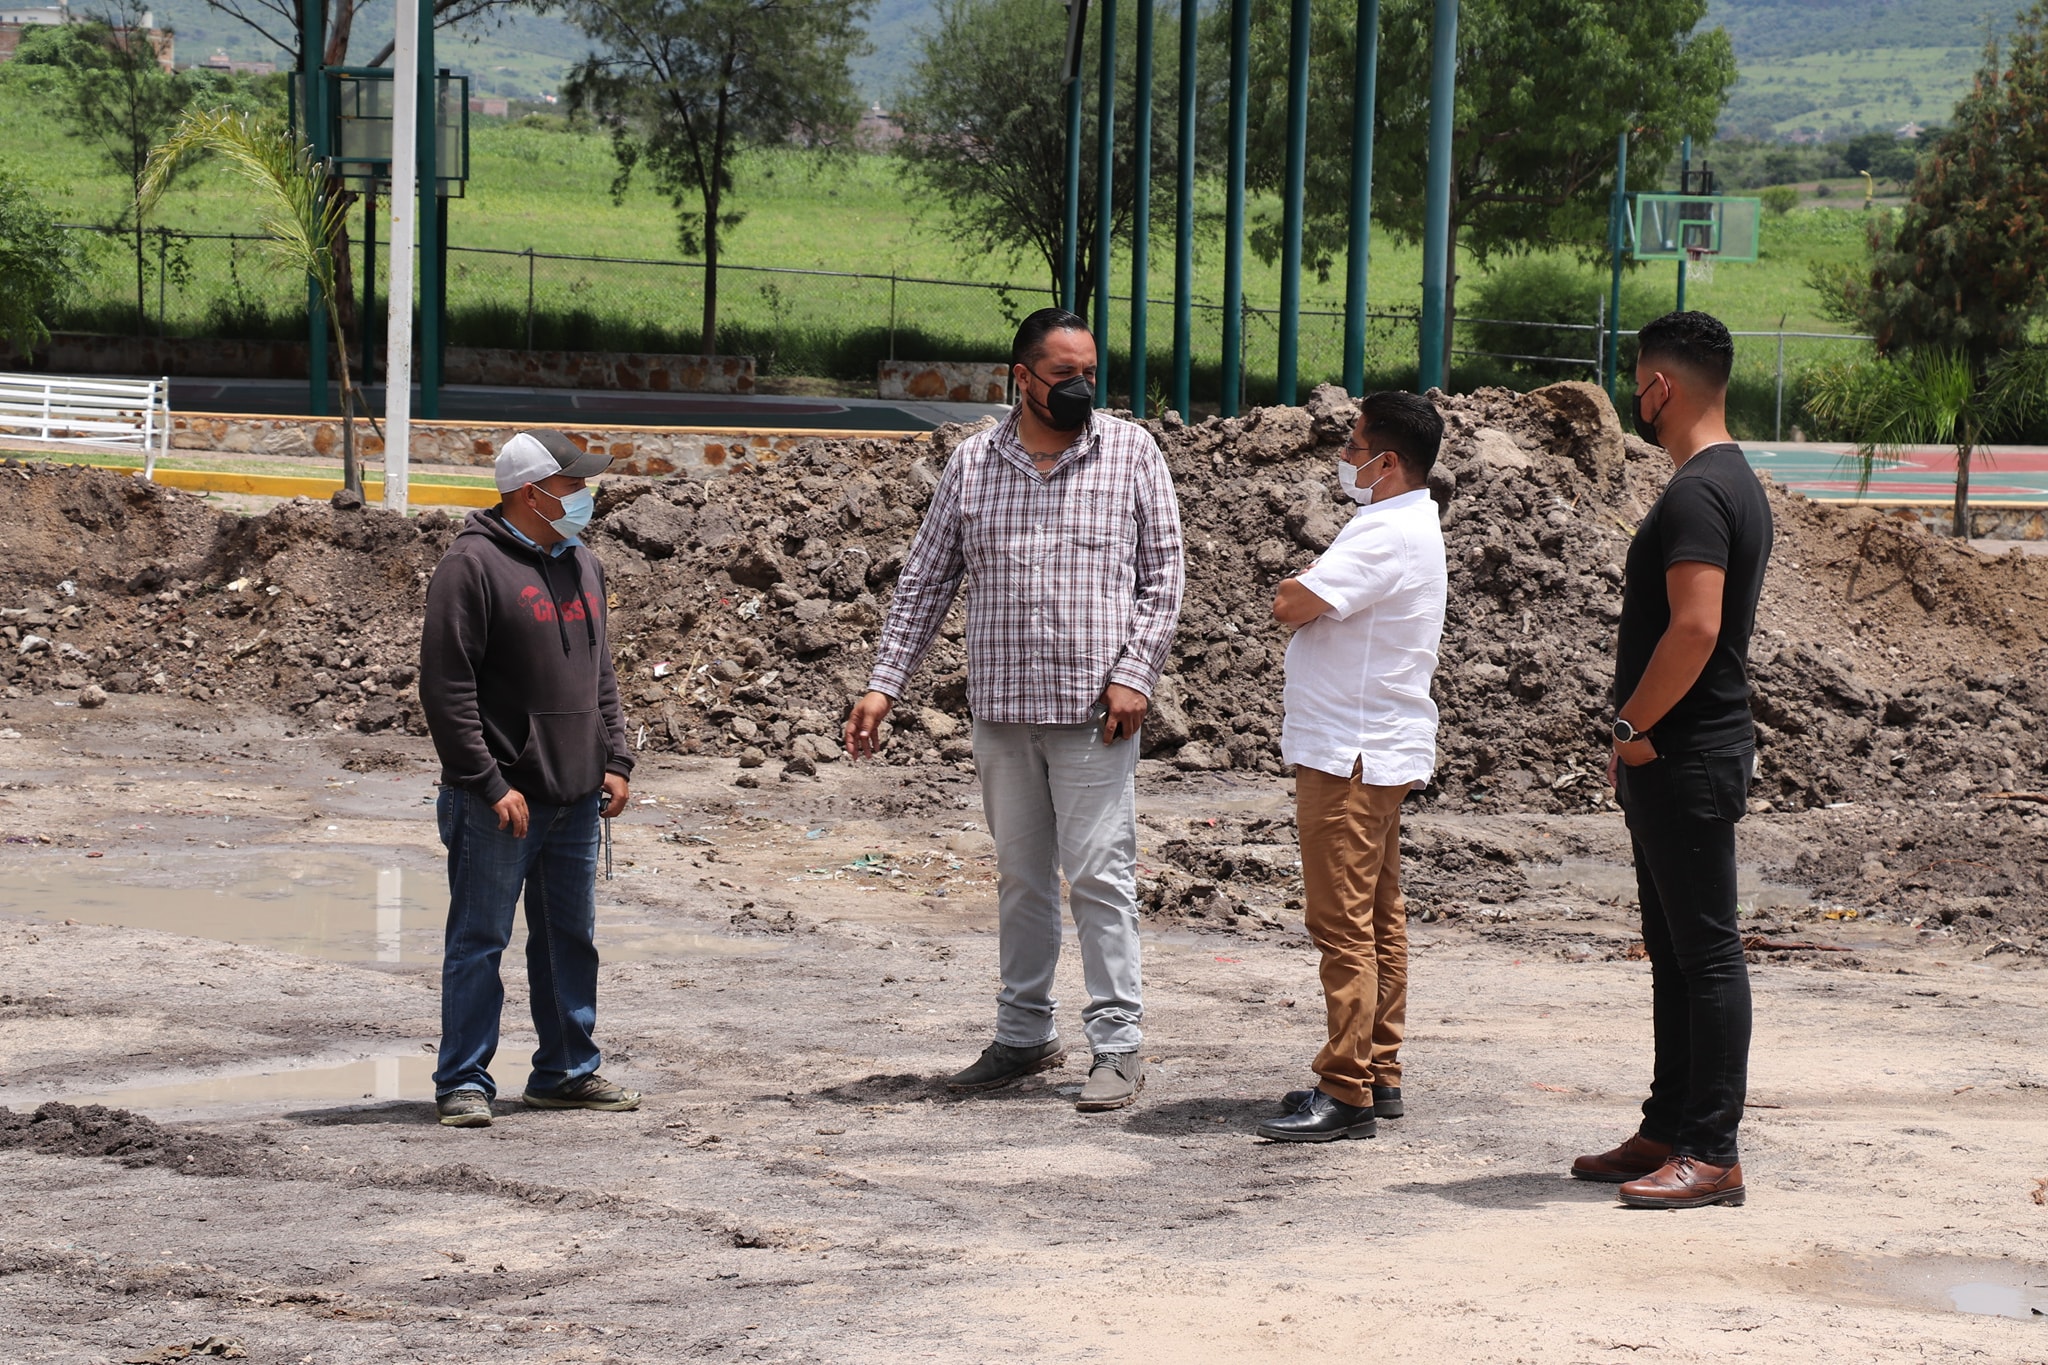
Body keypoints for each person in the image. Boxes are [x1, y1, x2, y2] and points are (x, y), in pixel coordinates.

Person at [843, 308, 1185, 1113]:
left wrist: (1135, 674)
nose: (1083, 388)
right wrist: (883, 683)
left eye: (1090, 371)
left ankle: (1119, 1045)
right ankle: (1024, 1032)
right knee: (1022, 879)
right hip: (1002, 711)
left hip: (1096, 712)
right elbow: (925, 582)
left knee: (1101, 875)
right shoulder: (973, 467)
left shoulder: (1132, 454)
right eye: (1064, 374)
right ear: (1022, 378)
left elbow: (1165, 578)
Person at [1572, 311, 1771, 1207]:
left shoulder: (1697, 493)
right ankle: (1668, 1123)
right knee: (1676, 952)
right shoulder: (1730, 481)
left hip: (1685, 750)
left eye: (1638, 381)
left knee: (1707, 951)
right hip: (1680, 751)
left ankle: (1711, 1148)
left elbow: (1695, 627)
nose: (1634, 399)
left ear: (1662, 388)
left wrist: (1629, 726)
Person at [420, 430, 639, 1128]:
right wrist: (486, 781)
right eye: (572, 486)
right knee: (480, 942)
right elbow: (446, 689)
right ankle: (463, 1081)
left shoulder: (584, 564)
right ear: (529, 493)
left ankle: (567, 1071)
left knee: (569, 938)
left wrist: (617, 758)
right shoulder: (471, 567)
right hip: (501, 801)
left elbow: (601, 672)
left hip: (575, 797)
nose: (584, 497)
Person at [1254, 392, 1448, 1143]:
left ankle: (1345, 1090)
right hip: (1379, 749)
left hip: (1349, 753)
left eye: (1354, 444)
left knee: (1341, 923)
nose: (1344, 458)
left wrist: (1296, 584)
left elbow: (1292, 603)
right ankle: (1378, 1069)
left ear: (1388, 461)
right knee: (1377, 916)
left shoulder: (1381, 534)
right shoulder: (1409, 525)